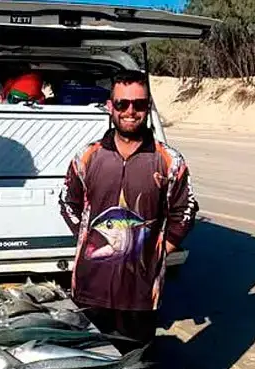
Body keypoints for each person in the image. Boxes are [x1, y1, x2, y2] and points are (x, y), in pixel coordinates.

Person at [59, 69, 198, 353]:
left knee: (135, 368)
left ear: (148, 107)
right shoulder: (88, 155)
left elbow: (185, 210)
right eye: (122, 104)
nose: (130, 111)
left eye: (139, 104)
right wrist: (88, 239)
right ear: (110, 107)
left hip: (141, 292)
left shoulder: (168, 160)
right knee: (90, 366)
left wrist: (161, 250)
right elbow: (66, 202)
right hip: (90, 287)